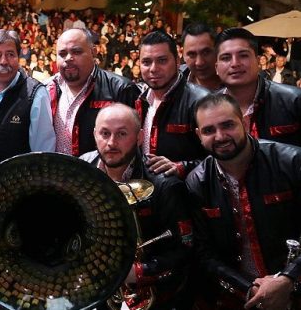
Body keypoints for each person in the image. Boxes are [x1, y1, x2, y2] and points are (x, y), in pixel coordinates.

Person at [186, 93, 301, 310]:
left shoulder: (292, 161)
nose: (220, 136)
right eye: (209, 130)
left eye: (227, 125)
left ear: (245, 122)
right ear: (199, 135)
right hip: (240, 297)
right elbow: (203, 252)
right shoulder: (197, 181)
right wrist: (250, 289)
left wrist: (288, 279)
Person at [80, 104, 193, 309]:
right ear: (94, 134)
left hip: (154, 295)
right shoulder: (81, 171)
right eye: (104, 133)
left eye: (122, 134)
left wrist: (138, 271)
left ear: (140, 137)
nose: (111, 143)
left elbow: (184, 250)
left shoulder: (164, 184)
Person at [0, 29, 55, 184]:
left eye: (10, 54)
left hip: (16, 192)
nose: (4, 61)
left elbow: (43, 156)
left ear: (18, 58)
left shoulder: (35, 94)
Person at [49, 28, 140, 156]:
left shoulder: (121, 89)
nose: (68, 58)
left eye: (76, 52)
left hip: (98, 174)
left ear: (94, 52)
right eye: (62, 54)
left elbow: (136, 145)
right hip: (54, 174)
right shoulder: (46, 89)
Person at [136, 31, 210, 178]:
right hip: (144, 192)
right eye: (146, 62)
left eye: (162, 60)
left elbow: (222, 158)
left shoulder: (203, 101)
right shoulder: (138, 98)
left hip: (186, 194)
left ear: (177, 61)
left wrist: (182, 167)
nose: (153, 68)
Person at [215, 27, 301, 147]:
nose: (235, 63)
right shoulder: (207, 107)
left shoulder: (293, 100)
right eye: (226, 58)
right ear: (216, 68)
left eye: (243, 55)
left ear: (258, 61)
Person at [182, 22, 223, 91]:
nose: (199, 62)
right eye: (192, 54)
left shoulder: (236, 85)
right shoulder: (173, 85)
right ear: (183, 55)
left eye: (206, 52)